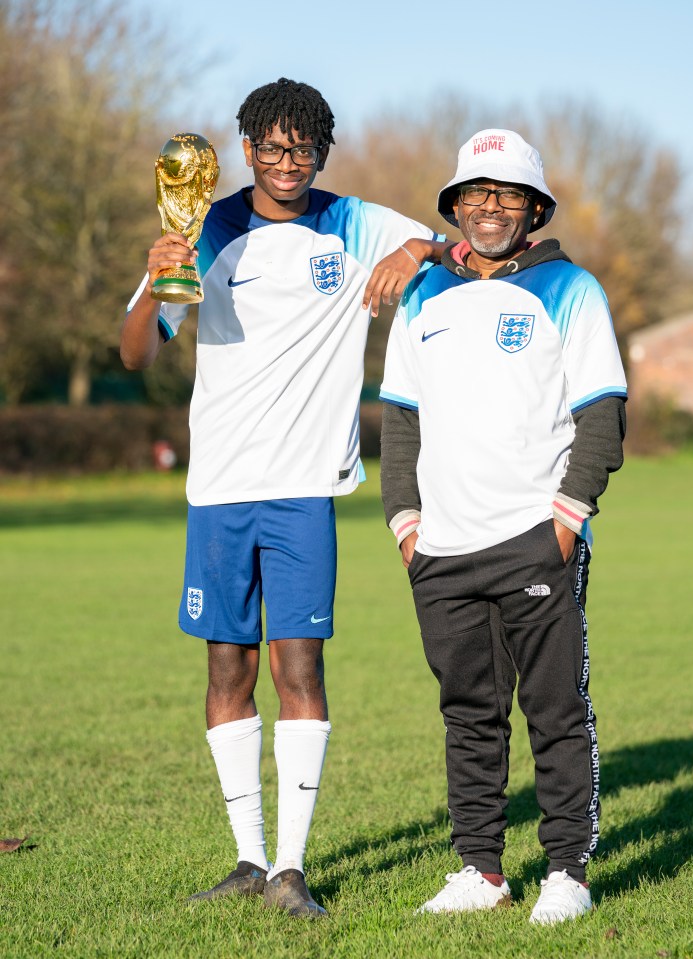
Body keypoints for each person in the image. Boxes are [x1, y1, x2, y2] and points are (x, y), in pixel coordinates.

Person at [121, 78, 447, 918]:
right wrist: (156, 280)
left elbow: (448, 239)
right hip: (219, 488)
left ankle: (291, 869)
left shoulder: (352, 221)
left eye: (302, 148)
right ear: (247, 150)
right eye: (270, 147)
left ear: (321, 154)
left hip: (305, 489)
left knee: (298, 664)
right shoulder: (206, 227)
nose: (286, 162)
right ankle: (245, 856)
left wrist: (411, 254)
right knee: (225, 665)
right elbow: (134, 355)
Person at [379, 128, 627, 924]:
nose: (489, 206)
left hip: (535, 537)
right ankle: (481, 869)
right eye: (474, 194)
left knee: (556, 709)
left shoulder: (572, 289)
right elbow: (400, 421)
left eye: (506, 194)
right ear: (455, 206)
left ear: (532, 207)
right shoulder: (422, 294)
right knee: (467, 714)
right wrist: (406, 524)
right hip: (442, 549)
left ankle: (568, 870)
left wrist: (568, 516)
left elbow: (602, 416)